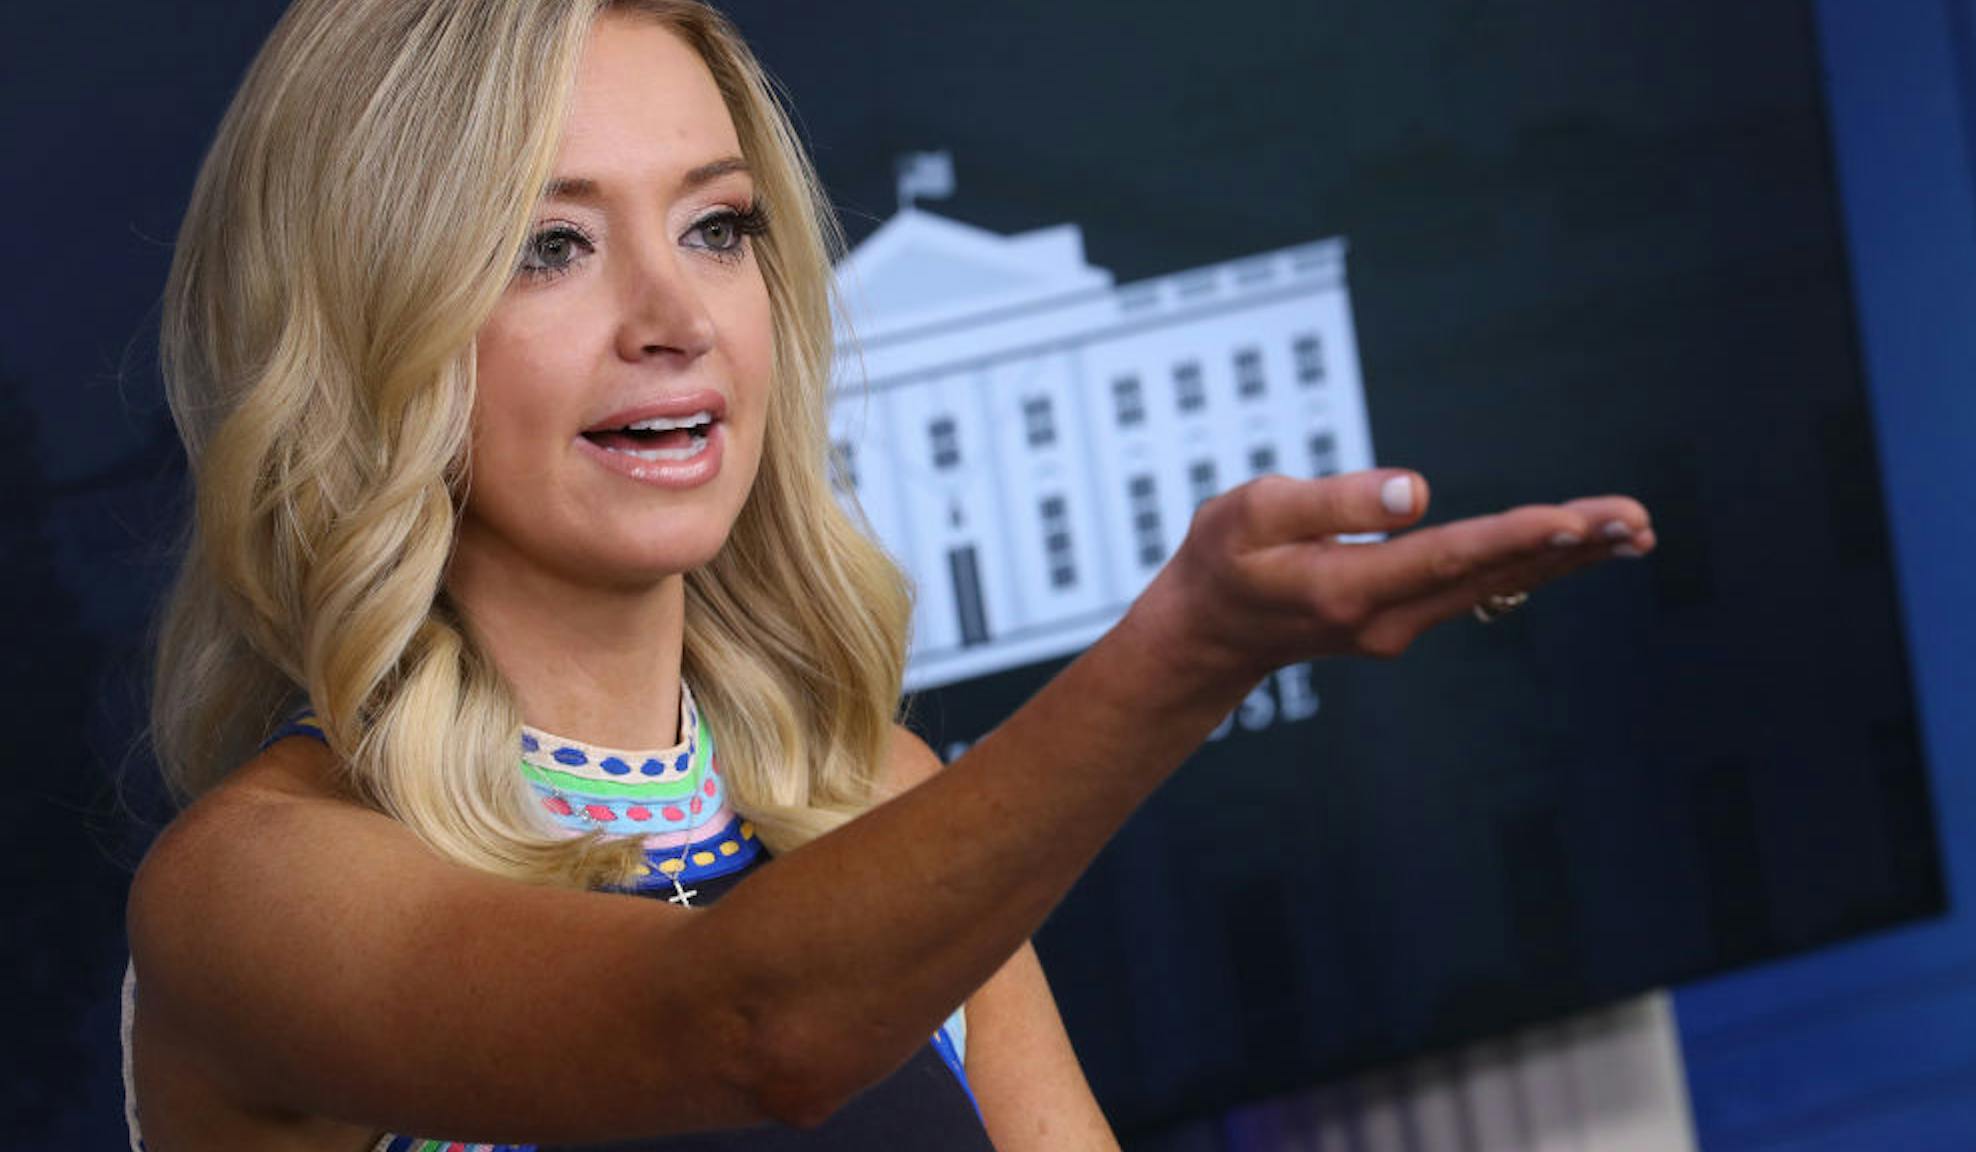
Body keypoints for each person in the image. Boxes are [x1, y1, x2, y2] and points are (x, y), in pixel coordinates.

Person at [123, 0, 1658, 1149]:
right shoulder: (257, 888)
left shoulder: (873, 790)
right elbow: (741, 1029)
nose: (677, 315)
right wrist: (1175, 660)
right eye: (549, 247)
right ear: (371, 328)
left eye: (719, 228)